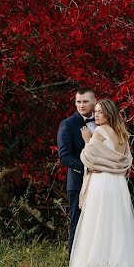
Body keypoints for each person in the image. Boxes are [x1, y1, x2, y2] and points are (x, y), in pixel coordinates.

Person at [66, 98, 134, 267]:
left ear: (109, 113)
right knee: (117, 221)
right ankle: (121, 263)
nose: (96, 115)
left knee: (98, 220)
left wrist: (87, 140)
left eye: (100, 112)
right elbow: (122, 160)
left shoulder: (100, 131)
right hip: (118, 182)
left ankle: (98, 263)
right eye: (95, 112)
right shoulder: (122, 134)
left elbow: (88, 157)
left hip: (102, 182)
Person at [57, 88, 97, 253]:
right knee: (78, 222)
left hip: (102, 182)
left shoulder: (103, 122)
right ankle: (73, 262)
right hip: (79, 182)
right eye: (78, 102)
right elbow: (64, 157)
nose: (81, 105)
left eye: (85, 101)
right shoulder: (67, 124)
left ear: (94, 101)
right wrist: (89, 167)